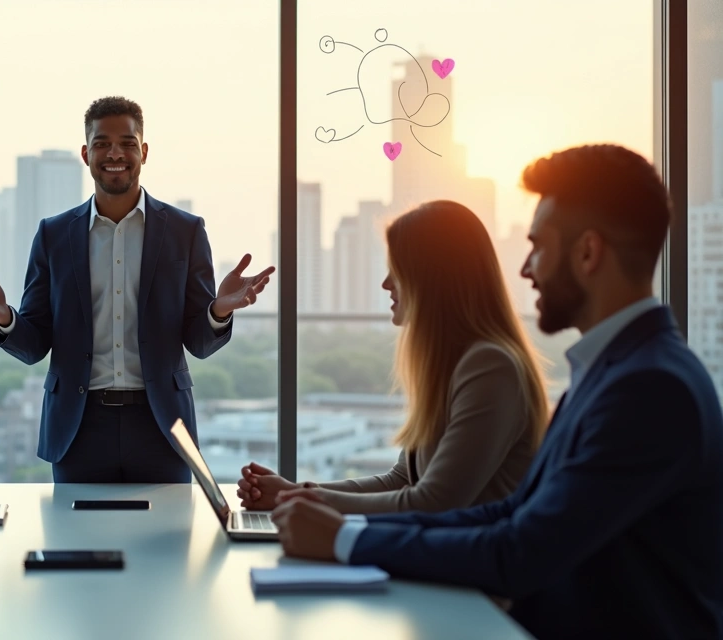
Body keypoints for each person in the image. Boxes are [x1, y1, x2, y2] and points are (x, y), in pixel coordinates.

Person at [271, 144, 723, 639]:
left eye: (538, 246)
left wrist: (345, 540)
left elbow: (521, 551)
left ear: (588, 253)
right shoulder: (615, 371)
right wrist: (337, 523)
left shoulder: (649, 389)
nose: (527, 268)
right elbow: (511, 513)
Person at [0, 96, 274, 483]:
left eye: (127, 143)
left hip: (162, 426)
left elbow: (199, 343)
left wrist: (218, 312)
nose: (115, 153)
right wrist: (6, 318)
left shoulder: (185, 231)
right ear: (85, 152)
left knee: (168, 541)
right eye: (102, 143)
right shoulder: (53, 235)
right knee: (76, 542)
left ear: (143, 151)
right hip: (78, 426)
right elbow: (34, 345)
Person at [238, 201, 548, 514]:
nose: (386, 283)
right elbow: (402, 480)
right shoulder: (453, 364)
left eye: (397, 270)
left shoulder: (490, 368)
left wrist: (297, 499)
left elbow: (433, 502)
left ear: (433, 277)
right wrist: (296, 492)